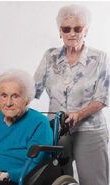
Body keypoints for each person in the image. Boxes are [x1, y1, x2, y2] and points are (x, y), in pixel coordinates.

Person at [34, 4, 109, 185]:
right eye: (66, 29)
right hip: (58, 131)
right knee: (59, 180)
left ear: (86, 30)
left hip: (89, 130)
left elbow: (102, 97)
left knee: (94, 181)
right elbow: (32, 88)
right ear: (60, 32)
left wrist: (79, 114)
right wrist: (11, 101)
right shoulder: (50, 56)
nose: (72, 33)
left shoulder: (99, 58)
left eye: (78, 28)